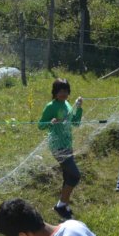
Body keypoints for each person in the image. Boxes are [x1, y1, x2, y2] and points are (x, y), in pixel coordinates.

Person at [38, 78, 83, 220]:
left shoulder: (68, 104)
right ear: (55, 92)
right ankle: (61, 205)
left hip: (68, 144)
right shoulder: (51, 106)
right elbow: (40, 125)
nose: (63, 94)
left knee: (68, 176)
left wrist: (79, 108)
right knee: (75, 175)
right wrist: (50, 122)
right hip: (57, 146)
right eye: (60, 91)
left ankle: (63, 205)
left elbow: (75, 123)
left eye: (66, 91)